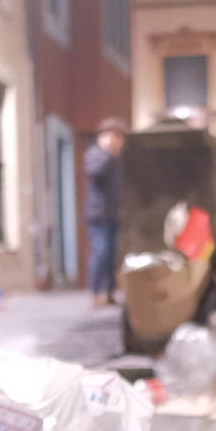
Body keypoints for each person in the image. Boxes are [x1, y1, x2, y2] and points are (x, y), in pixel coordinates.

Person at [84, 117, 127, 308]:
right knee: (101, 252)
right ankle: (95, 291)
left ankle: (109, 292)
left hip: (112, 214)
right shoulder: (96, 155)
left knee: (111, 255)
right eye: (113, 136)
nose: (117, 141)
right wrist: (107, 153)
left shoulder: (117, 160)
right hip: (98, 214)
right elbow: (95, 172)